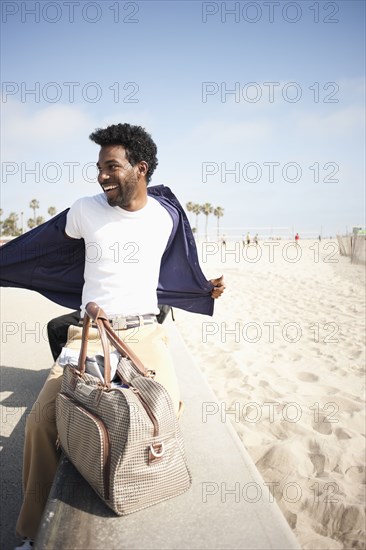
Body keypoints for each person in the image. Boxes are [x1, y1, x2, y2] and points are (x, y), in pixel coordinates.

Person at [4, 123, 225, 549]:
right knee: (41, 421)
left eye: (112, 166)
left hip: (144, 334)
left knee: (166, 413)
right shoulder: (84, 210)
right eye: (99, 167)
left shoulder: (166, 216)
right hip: (88, 335)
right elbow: (36, 247)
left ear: (140, 169)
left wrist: (201, 288)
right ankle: (32, 534)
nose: (102, 175)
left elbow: (174, 269)